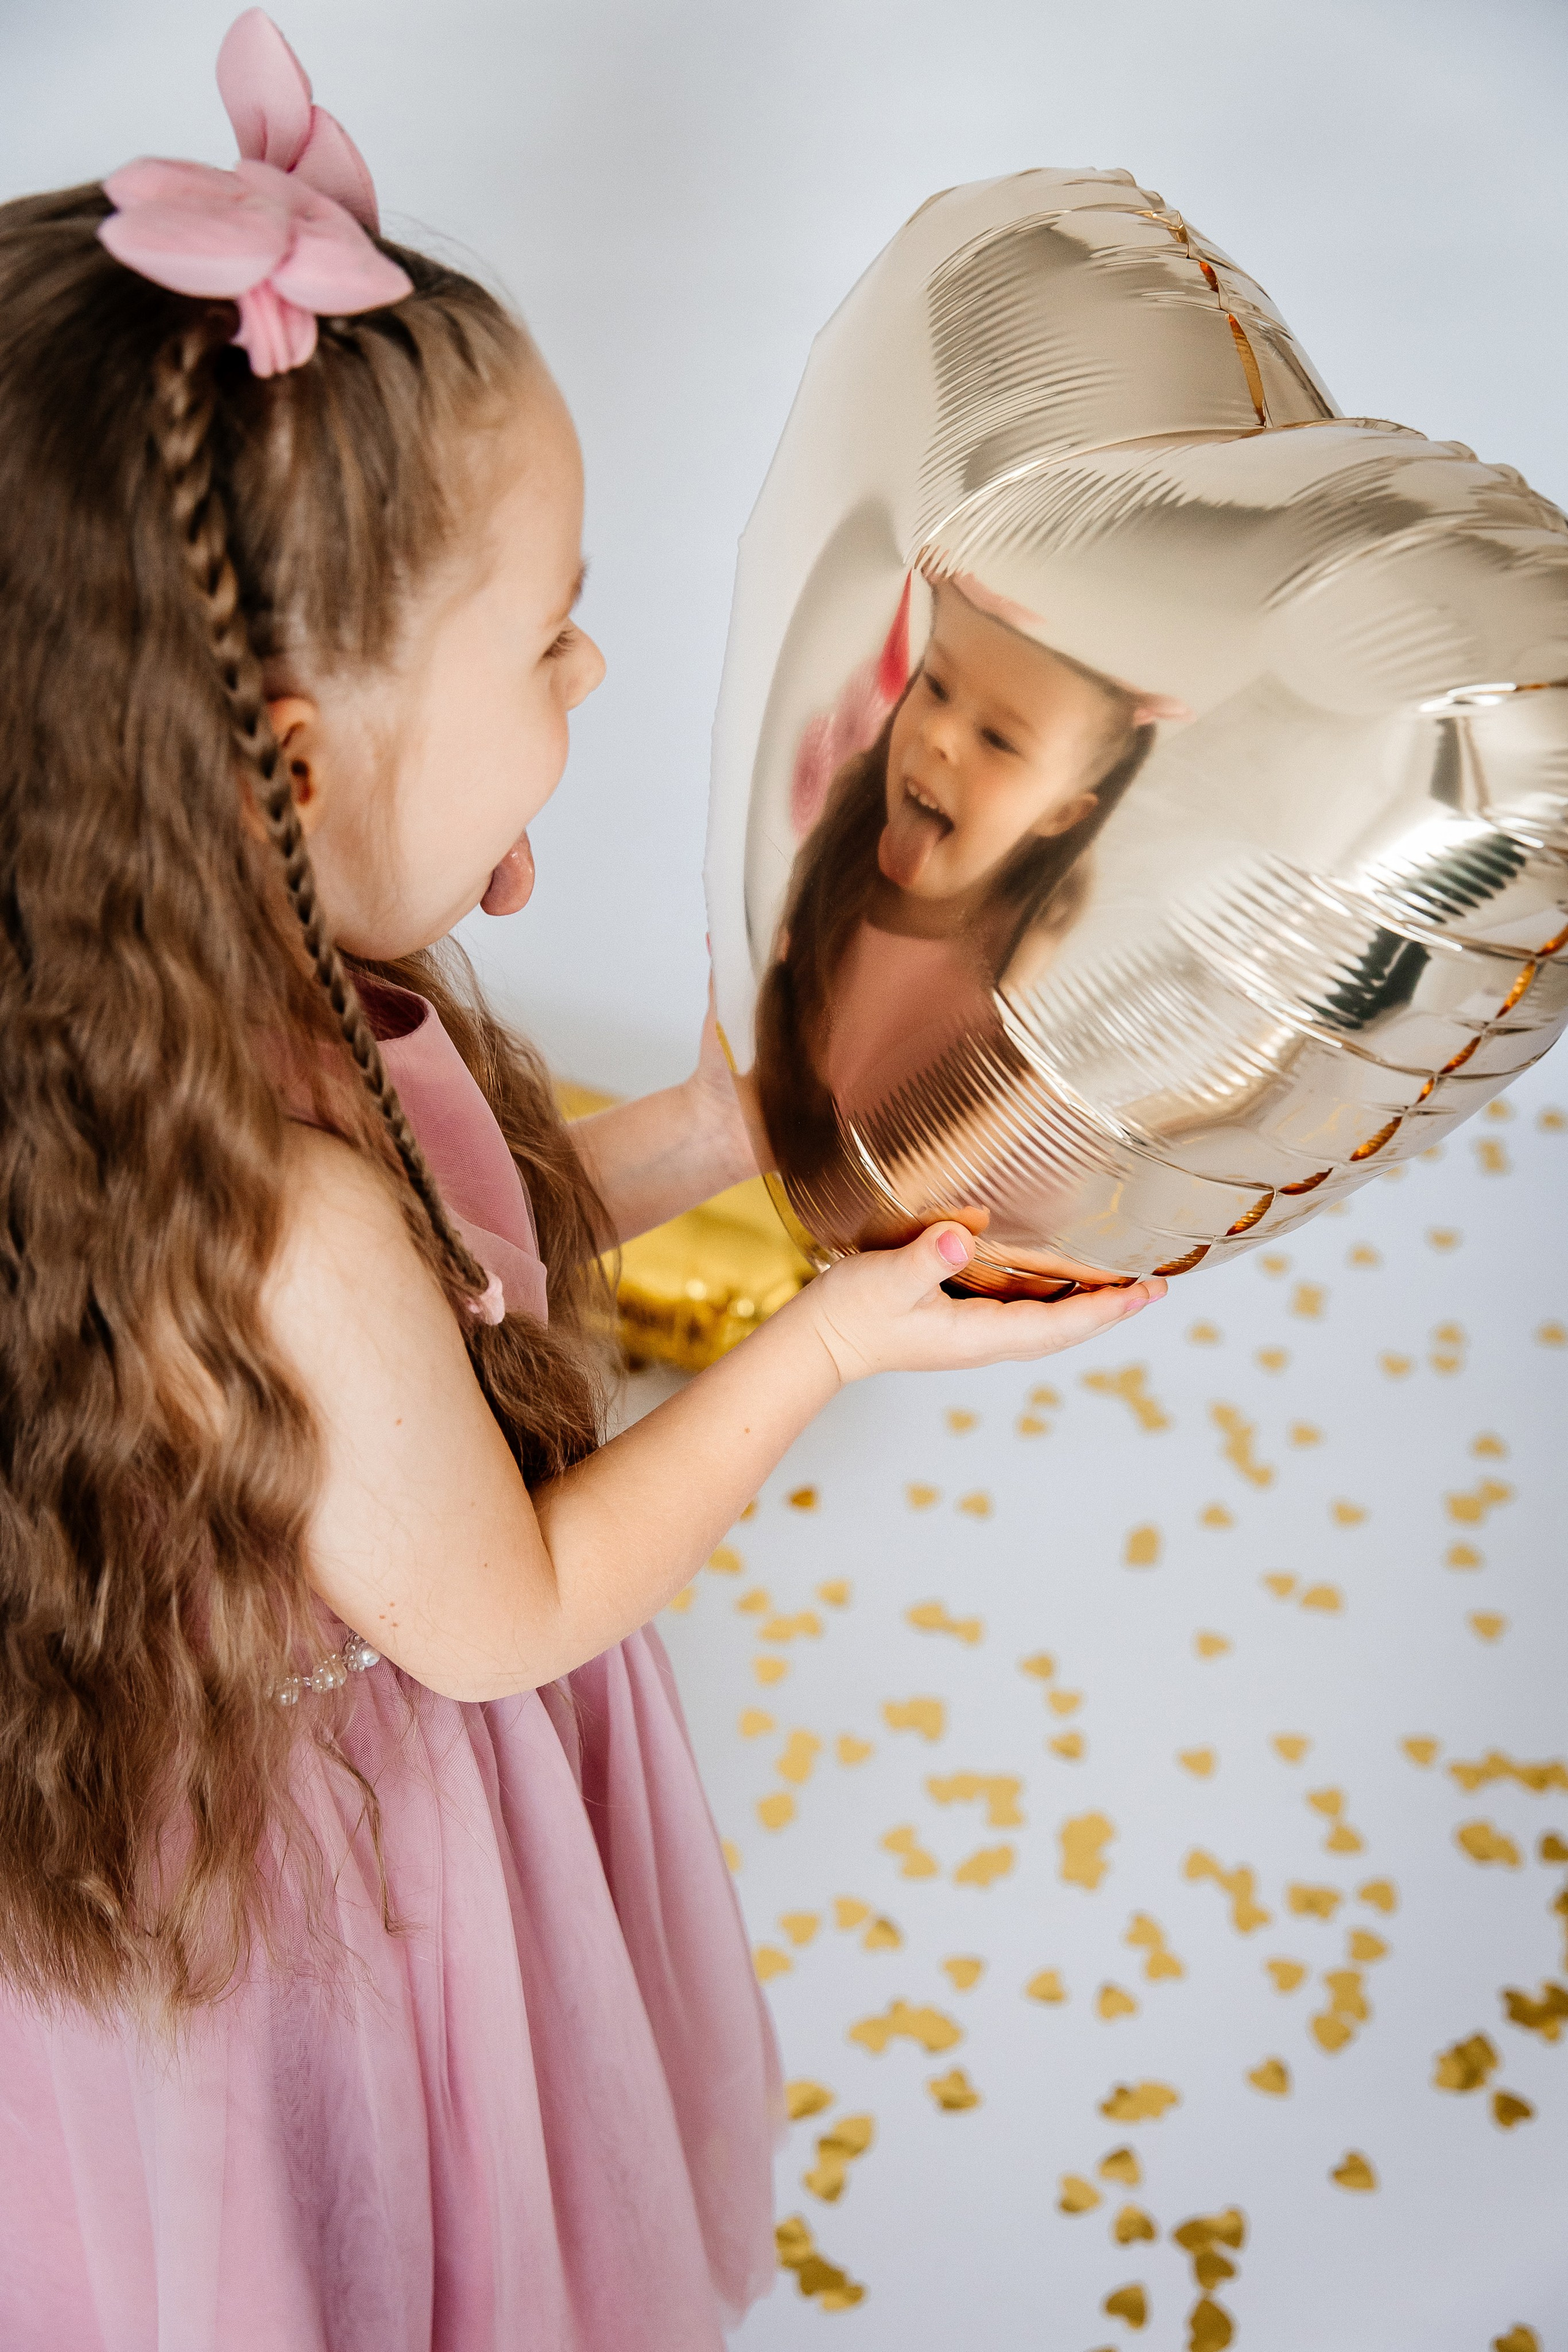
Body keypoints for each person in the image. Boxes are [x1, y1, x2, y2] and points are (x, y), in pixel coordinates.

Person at [0, 18, 1165, 2350]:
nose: (599, 661)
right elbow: (505, 1605)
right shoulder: (277, 1211)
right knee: (388, 2259)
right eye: (544, 639)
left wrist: (783, 1122)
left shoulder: (251, 991)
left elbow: (516, 1245)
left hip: (383, 1647)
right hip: (357, 1879)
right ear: (292, 759)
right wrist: (825, 1335)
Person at [756, 574, 1176, 1259]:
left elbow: (875, 1216)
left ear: (1060, 813)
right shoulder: (838, 841)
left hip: (945, 1241)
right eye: (937, 685)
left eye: (999, 740)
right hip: (800, 1164)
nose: (938, 733)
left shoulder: (1031, 974)